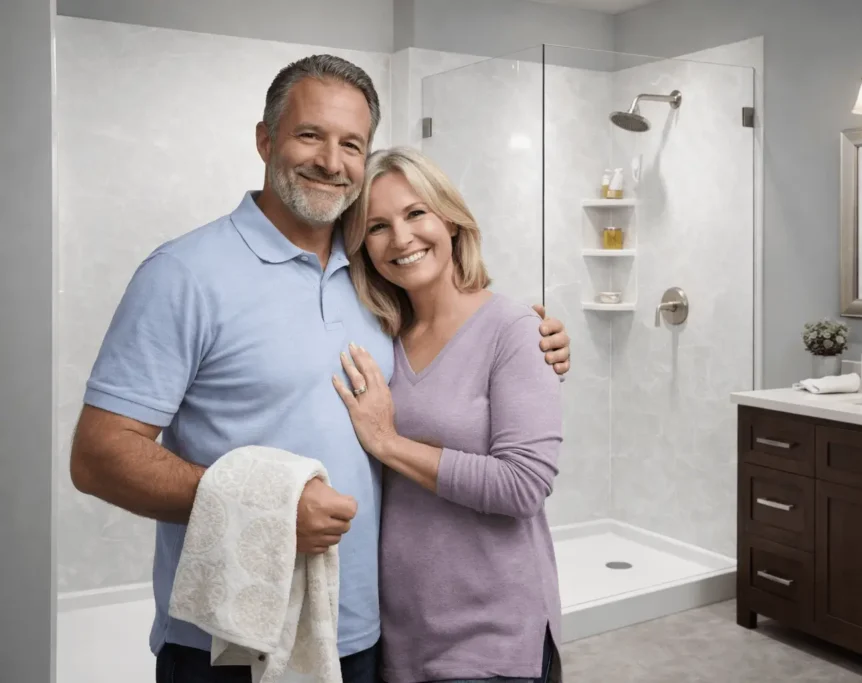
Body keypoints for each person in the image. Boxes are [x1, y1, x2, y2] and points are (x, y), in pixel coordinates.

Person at [68, 54, 570, 683]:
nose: (331, 162)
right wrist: (268, 512)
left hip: (362, 633)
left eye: (351, 144)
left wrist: (537, 339)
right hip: (230, 641)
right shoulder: (184, 275)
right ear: (265, 139)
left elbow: (460, 354)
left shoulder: (372, 283)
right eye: (310, 135)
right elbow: (97, 457)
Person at [331, 146, 563, 683]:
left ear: (451, 221)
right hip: (404, 635)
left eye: (416, 213)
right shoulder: (383, 338)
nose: (402, 238)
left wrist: (388, 443)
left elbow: (523, 485)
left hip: (492, 637)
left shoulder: (514, 330)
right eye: (378, 227)